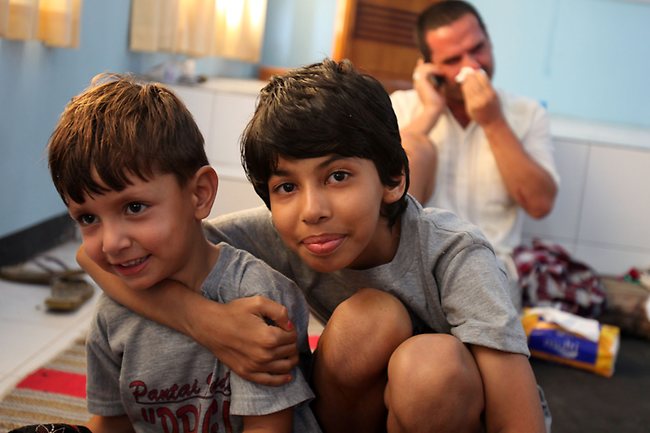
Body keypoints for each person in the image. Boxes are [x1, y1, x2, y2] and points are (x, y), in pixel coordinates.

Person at [78, 60, 547, 433]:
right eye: (286, 187)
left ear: (393, 179)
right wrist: (208, 321)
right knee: (368, 321)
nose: (311, 209)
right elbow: (97, 255)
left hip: (457, 411)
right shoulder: (286, 232)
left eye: (337, 176)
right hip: (363, 412)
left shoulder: (456, 255)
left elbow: (517, 422)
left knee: (430, 365)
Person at [48, 74, 320, 433]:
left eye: (133, 207)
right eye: (87, 218)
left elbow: (267, 427)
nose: (111, 242)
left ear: (199, 194)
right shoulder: (112, 316)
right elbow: (114, 423)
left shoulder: (256, 297)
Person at [391, 0, 560, 304]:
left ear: (490, 42)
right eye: (454, 59)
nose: (471, 67)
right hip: (415, 269)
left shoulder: (527, 113)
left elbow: (540, 204)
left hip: (493, 270)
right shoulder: (403, 108)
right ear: (430, 68)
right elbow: (382, 201)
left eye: (477, 49)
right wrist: (430, 112)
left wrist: (494, 122)